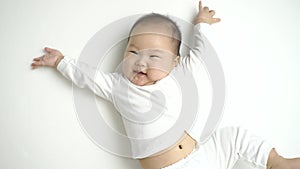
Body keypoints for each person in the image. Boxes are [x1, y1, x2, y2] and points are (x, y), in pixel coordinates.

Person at [31, 1, 300, 169]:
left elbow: (201, 51)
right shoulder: (118, 86)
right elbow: (88, 77)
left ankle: (277, 163)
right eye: (133, 51)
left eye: (154, 56)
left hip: (202, 159)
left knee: (233, 136)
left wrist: (202, 24)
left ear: (174, 61)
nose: (141, 62)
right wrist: (61, 61)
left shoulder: (181, 73)